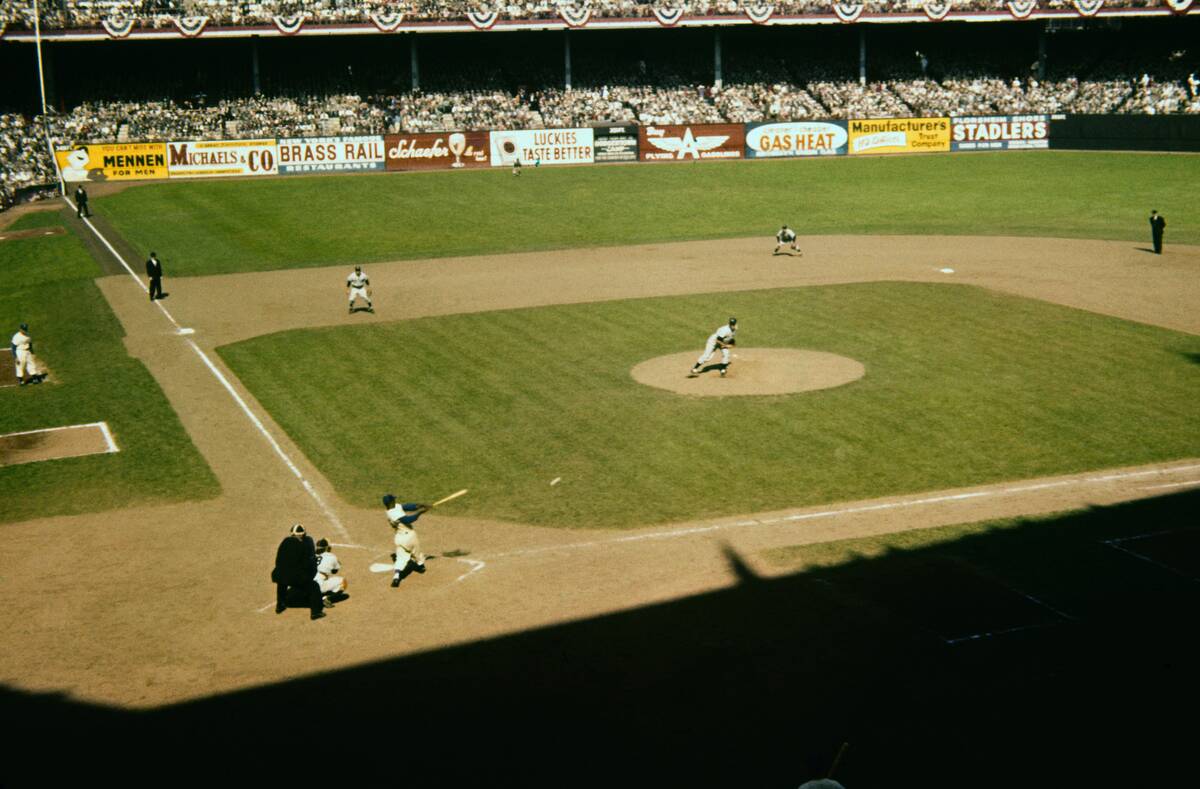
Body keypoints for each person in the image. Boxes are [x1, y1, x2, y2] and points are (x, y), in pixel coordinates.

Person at [272, 523, 325, 620]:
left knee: (282, 584)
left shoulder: (285, 542)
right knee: (314, 587)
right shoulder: (308, 542)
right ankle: (316, 612)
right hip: (298, 577)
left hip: (282, 575)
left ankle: (280, 606)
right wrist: (308, 578)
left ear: (292, 533)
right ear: (304, 533)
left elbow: (278, 560)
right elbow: (310, 562)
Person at [383, 493, 430, 588]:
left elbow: (406, 506)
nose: (395, 500)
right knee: (417, 552)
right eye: (393, 500)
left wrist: (420, 505)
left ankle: (396, 577)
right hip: (410, 536)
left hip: (399, 538)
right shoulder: (394, 514)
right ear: (391, 502)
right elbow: (408, 520)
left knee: (400, 558)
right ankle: (421, 567)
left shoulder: (391, 508)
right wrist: (420, 512)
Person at [314, 538, 346, 606]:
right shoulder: (331, 556)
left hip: (303, 584)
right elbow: (335, 571)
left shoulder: (309, 555)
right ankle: (327, 599)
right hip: (318, 585)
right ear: (327, 548)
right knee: (343, 581)